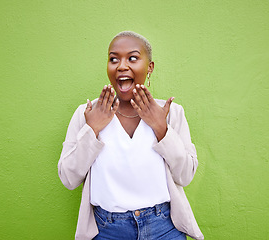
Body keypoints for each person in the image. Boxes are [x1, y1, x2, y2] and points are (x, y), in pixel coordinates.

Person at [58, 31, 204, 240]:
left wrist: (161, 129)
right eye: (113, 59)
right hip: (107, 230)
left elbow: (186, 175)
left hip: (164, 229)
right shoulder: (88, 113)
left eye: (132, 58)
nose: (121, 66)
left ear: (150, 67)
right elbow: (68, 178)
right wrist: (92, 130)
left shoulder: (171, 113)